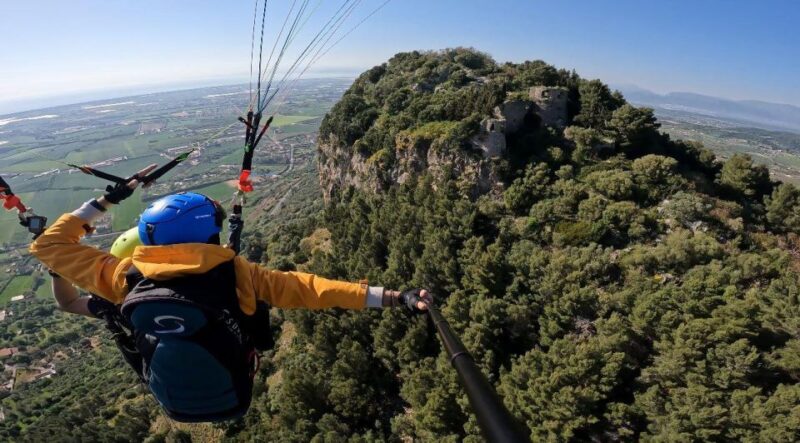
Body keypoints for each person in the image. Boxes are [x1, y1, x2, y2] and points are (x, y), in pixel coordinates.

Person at [30, 165, 432, 422]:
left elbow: (48, 246)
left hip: (171, 399)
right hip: (233, 391)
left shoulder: (122, 278)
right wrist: (394, 296)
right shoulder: (241, 275)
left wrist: (105, 200)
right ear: (209, 234)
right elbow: (314, 289)